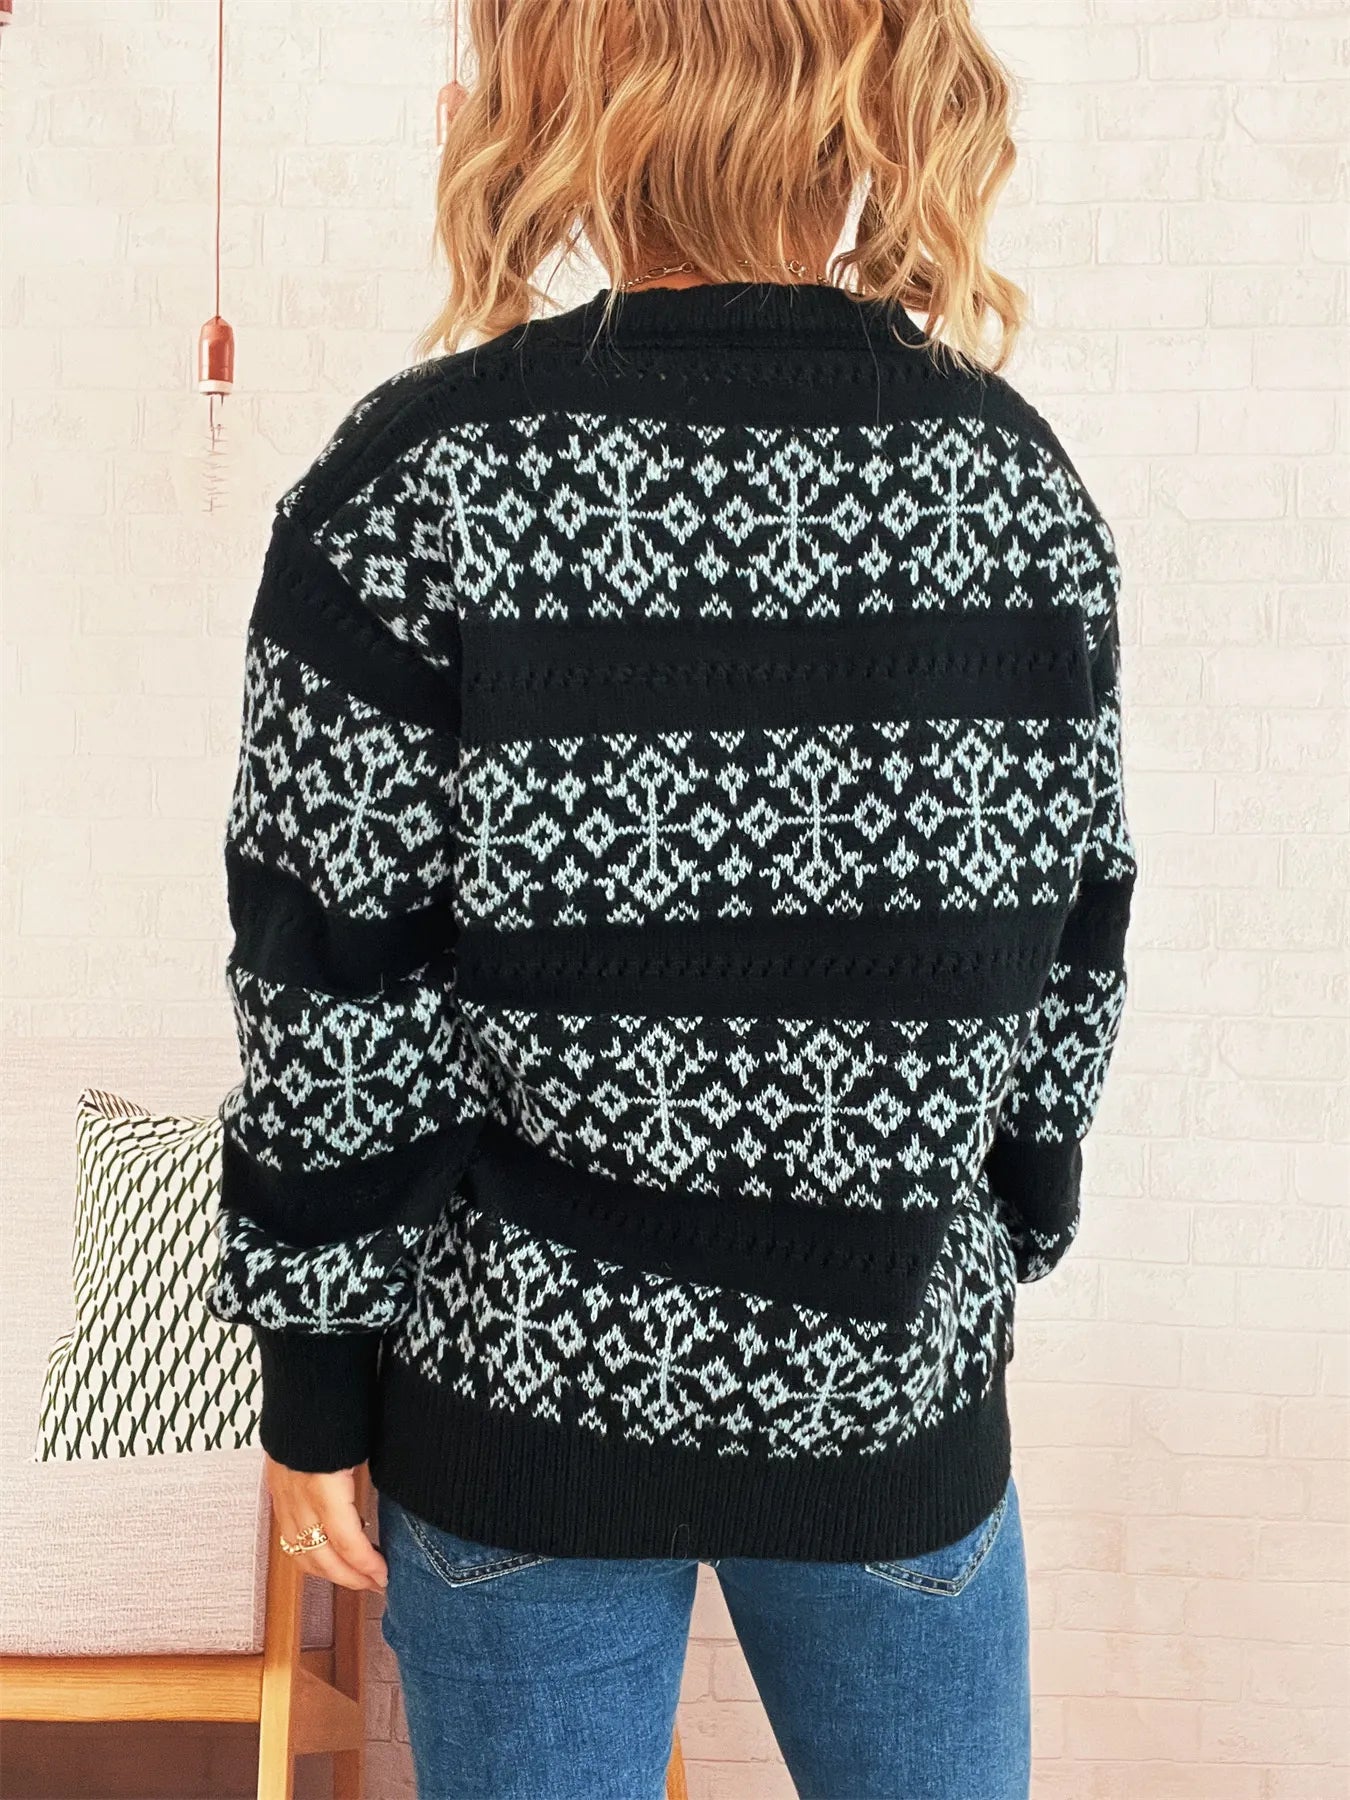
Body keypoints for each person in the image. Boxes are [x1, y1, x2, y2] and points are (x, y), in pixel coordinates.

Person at [208, 2, 1136, 1795]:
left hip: (518, 1396)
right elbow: (1069, 925)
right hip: (892, 1383)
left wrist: (316, 1368)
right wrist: (1004, 1217)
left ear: (564, 87)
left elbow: (328, 980)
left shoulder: (419, 480)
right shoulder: (1009, 483)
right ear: (873, 93)